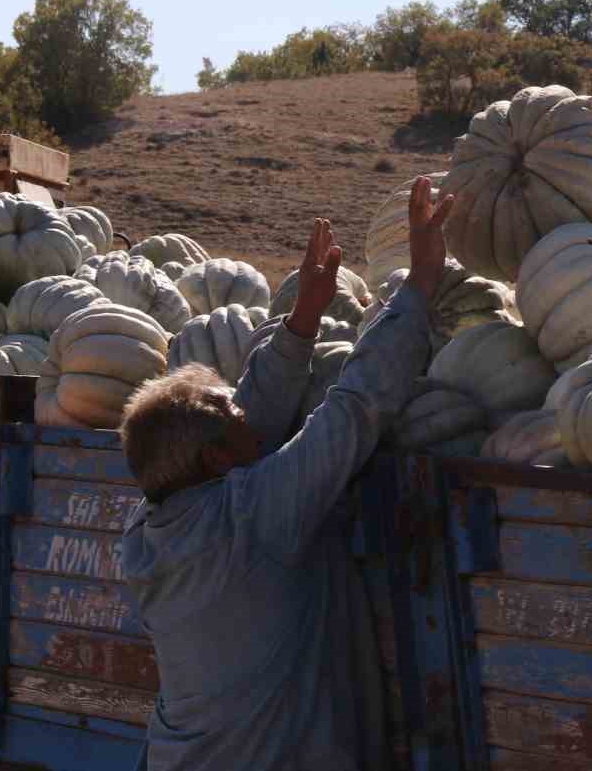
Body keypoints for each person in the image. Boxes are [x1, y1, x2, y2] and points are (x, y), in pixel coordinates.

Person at [119, 178, 451, 771]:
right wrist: (420, 285)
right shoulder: (253, 519)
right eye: (233, 412)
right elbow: (353, 407)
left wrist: (301, 321)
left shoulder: (146, 529)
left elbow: (254, 413)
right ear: (218, 461)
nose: (246, 408)